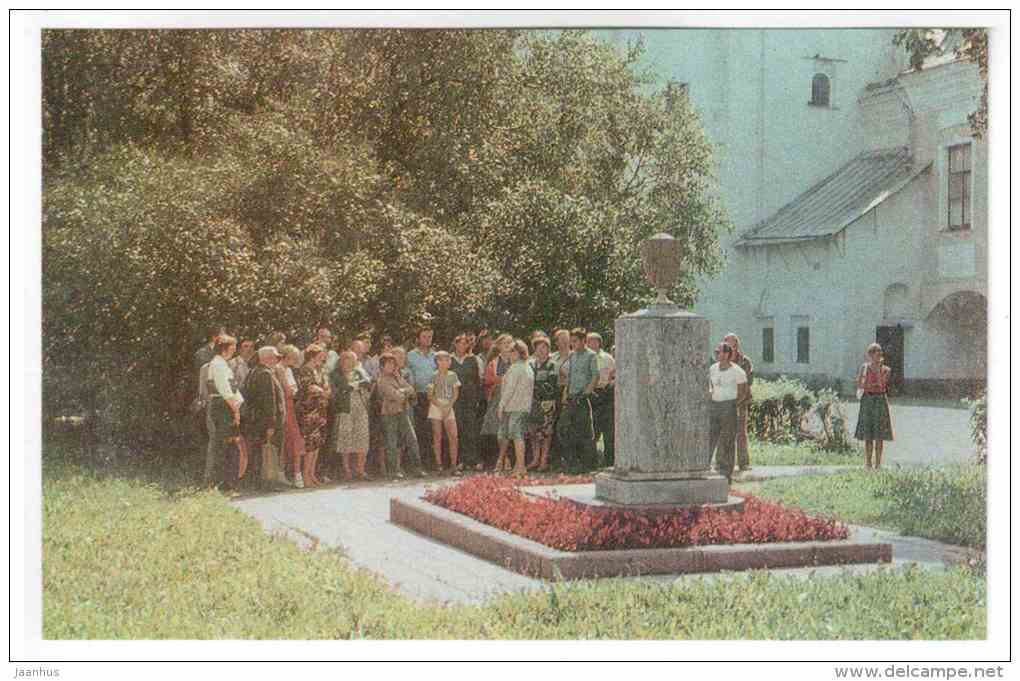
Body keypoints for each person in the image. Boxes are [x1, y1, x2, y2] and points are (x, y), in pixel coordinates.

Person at [555, 328, 601, 471]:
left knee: (585, 432)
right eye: (571, 342)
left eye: (575, 341)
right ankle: (572, 462)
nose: (572, 344)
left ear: (583, 341)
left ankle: (588, 464)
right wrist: (565, 393)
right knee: (563, 428)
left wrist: (587, 392)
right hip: (571, 397)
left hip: (583, 397)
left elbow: (595, 375)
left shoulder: (591, 356)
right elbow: (570, 376)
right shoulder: (572, 356)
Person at [240, 345, 285, 490]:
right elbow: (269, 402)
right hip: (264, 422)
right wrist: (271, 425)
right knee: (266, 452)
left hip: (255, 420)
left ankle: (258, 482)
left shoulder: (254, 371)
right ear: (266, 358)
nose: (277, 360)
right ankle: (266, 482)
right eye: (275, 357)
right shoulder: (265, 374)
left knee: (258, 451)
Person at [376, 352, 426, 479]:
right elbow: (395, 396)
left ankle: (417, 469)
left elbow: (411, 389)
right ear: (382, 366)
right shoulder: (381, 380)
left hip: (402, 412)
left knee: (412, 440)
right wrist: (403, 392)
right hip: (389, 414)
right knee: (391, 443)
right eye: (389, 364)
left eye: (393, 363)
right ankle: (392, 472)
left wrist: (402, 391)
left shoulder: (397, 377)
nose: (392, 366)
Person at [206, 334, 245, 493]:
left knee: (228, 445)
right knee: (228, 446)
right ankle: (226, 485)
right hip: (224, 408)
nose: (235, 349)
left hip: (225, 406)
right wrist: (235, 411)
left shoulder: (222, 364)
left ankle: (226, 483)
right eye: (233, 346)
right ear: (224, 348)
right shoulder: (218, 365)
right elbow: (226, 391)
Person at [708, 342, 748, 483]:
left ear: (727, 354)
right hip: (714, 406)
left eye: (720, 352)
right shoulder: (712, 369)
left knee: (727, 441)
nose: (717, 355)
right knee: (710, 437)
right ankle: (705, 468)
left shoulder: (738, 371)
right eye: (716, 352)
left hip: (729, 407)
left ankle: (725, 473)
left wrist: (732, 405)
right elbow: (711, 386)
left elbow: (743, 392)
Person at [330, 350, 373, 481]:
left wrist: (353, 385)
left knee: (362, 439)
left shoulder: (358, 372)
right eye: (346, 359)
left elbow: (368, 382)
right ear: (341, 361)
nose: (349, 363)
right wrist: (356, 385)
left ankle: (360, 469)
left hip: (361, 408)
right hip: (345, 409)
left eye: (352, 360)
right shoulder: (336, 374)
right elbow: (343, 387)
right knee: (345, 440)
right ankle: (347, 471)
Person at [496, 339, 535, 476]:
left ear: (518, 353)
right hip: (524, 407)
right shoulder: (528, 367)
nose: (509, 354)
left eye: (512, 351)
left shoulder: (515, 368)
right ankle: (519, 466)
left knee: (516, 436)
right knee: (518, 436)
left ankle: (520, 467)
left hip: (514, 407)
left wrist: (501, 405)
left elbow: (509, 390)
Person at [296, 343, 331, 486]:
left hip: (320, 409)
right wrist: (323, 391)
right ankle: (306, 476)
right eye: (320, 356)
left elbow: (326, 386)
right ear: (312, 356)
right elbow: (310, 388)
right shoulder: (305, 370)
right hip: (308, 411)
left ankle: (312, 473)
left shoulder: (319, 370)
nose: (322, 358)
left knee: (317, 443)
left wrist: (326, 391)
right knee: (310, 443)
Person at [854, 343, 894, 469]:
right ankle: (868, 463)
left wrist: (877, 370)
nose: (878, 356)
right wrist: (868, 384)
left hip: (880, 400)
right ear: (870, 355)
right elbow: (860, 384)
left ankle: (878, 464)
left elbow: (881, 385)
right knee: (868, 433)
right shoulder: (864, 368)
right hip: (867, 400)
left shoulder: (886, 369)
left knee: (879, 433)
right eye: (875, 354)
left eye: (880, 354)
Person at [450, 333, 484, 470]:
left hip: (470, 399)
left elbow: (477, 381)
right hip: (455, 399)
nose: (462, 346)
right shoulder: (450, 360)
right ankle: (461, 460)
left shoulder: (472, 360)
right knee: (459, 429)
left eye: (465, 343)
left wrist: (478, 398)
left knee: (471, 429)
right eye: (460, 343)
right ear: (455, 344)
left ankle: (474, 460)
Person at [722, 333, 754, 472]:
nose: (730, 347)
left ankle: (743, 463)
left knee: (741, 433)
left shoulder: (744, 361)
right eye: (727, 345)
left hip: (740, 401)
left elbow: (748, 381)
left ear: (737, 346)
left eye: (732, 345)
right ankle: (723, 463)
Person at [406, 328, 437, 468]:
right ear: (418, 338)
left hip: (433, 396)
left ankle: (432, 461)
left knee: (432, 429)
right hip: (418, 395)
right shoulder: (411, 355)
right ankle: (419, 462)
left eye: (430, 337)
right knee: (419, 429)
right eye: (424, 336)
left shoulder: (435, 355)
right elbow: (407, 375)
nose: (427, 339)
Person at [480, 334, 514, 466]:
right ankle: (501, 457)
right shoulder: (493, 362)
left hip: (513, 398)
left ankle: (508, 458)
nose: (507, 345)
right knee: (497, 429)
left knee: (511, 429)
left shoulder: (515, 360)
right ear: (499, 346)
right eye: (504, 343)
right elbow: (487, 381)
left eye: (510, 342)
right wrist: (500, 380)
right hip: (497, 399)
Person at [526, 335, 558, 471]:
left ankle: (544, 460)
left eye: (544, 347)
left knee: (546, 433)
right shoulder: (531, 364)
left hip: (547, 402)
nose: (542, 350)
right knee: (533, 431)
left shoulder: (552, 364)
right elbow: (528, 382)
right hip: (533, 402)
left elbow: (550, 384)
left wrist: (537, 386)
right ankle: (535, 459)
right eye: (539, 348)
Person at [428, 350, 461, 473]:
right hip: (436, 405)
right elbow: (430, 395)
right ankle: (438, 464)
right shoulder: (433, 376)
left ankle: (453, 464)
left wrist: (449, 405)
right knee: (437, 435)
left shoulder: (453, 375)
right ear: (436, 362)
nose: (444, 362)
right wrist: (440, 406)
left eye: (447, 360)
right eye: (441, 360)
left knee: (453, 435)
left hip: (448, 405)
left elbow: (456, 393)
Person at [277, 344, 306, 488]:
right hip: (285, 406)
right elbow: (289, 391)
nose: (295, 359)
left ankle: (295, 473)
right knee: (288, 440)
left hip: (291, 407)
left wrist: (294, 391)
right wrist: (293, 391)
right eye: (294, 357)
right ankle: (289, 474)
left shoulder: (288, 369)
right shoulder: (279, 368)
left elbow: (294, 389)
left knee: (294, 440)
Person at [587, 332, 617, 467]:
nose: (592, 344)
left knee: (608, 429)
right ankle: (592, 461)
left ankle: (610, 461)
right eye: (589, 342)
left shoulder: (608, 358)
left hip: (605, 393)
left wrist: (609, 384)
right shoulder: (586, 357)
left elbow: (614, 374)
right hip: (591, 393)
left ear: (599, 343)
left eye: (594, 342)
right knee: (592, 428)